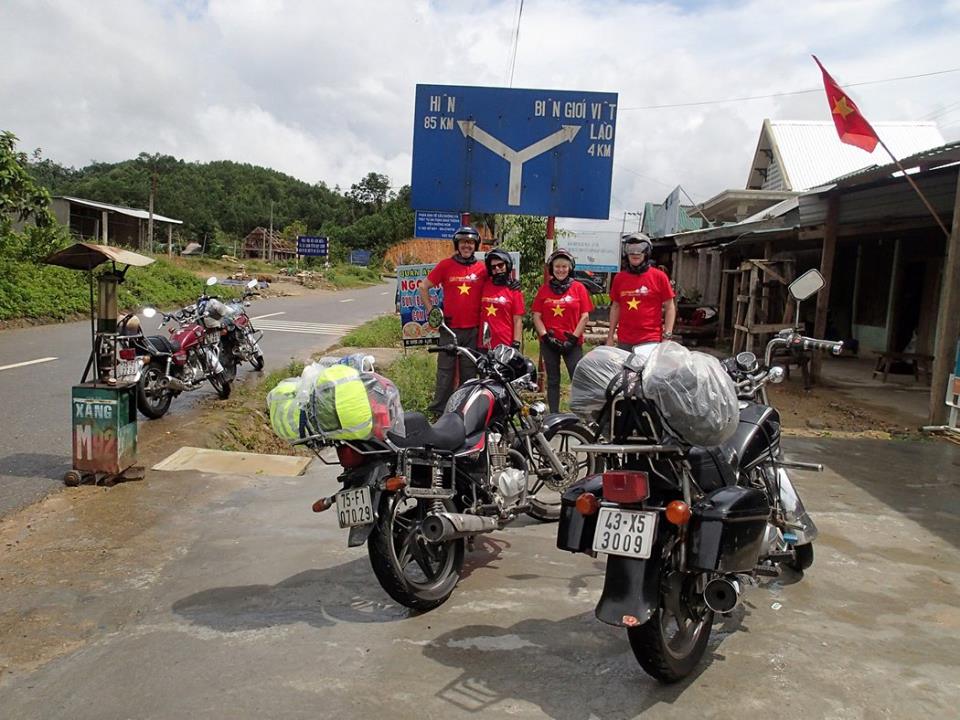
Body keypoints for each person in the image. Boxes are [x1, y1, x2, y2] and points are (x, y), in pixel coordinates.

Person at [420, 226, 487, 414]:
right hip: (449, 329)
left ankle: (465, 410)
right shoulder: (445, 265)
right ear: (457, 244)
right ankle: (439, 411)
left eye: (471, 242)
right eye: (464, 242)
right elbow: (423, 287)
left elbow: (497, 284)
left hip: (473, 330)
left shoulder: (482, 269)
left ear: (475, 246)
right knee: (445, 372)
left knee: (469, 373)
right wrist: (432, 311)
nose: (467, 245)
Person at [533, 248, 593, 413]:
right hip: (550, 342)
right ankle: (553, 414)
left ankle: (582, 414)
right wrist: (545, 337)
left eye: (564, 266)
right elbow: (536, 316)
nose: (560, 270)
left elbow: (585, 316)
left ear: (570, 268)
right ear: (552, 268)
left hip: (572, 342)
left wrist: (573, 339)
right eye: (557, 266)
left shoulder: (579, 288)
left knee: (578, 378)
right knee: (553, 380)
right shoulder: (544, 290)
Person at [606, 232, 676, 354]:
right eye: (631, 249)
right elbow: (615, 307)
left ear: (647, 252)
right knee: (625, 372)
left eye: (640, 248)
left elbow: (670, 307)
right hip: (625, 339)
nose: (635, 253)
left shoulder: (659, 276)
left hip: (651, 339)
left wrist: (667, 336)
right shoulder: (619, 278)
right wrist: (610, 336)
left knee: (648, 372)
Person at [478, 248, 525, 350]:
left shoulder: (514, 290)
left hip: (505, 343)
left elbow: (518, 320)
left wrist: (516, 343)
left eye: (500, 265)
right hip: (484, 344)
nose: (497, 269)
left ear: (507, 265)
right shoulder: (484, 285)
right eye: (493, 267)